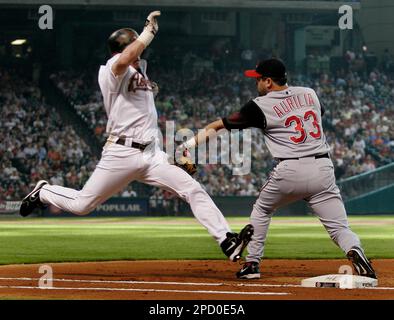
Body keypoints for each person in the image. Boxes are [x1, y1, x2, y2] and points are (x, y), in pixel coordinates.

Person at [19, 11, 253, 263]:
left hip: (152, 155)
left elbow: (141, 103)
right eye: (134, 43)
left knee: (192, 189)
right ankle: (43, 192)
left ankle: (226, 240)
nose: (139, 47)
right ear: (124, 47)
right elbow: (124, 59)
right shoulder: (111, 68)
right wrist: (147, 33)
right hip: (121, 152)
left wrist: (171, 156)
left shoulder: (139, 71)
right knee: (82, 205)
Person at [177, 58, 377, 279]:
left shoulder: (259, 105)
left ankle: (252, 264)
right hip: (323, 167)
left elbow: (218, 126)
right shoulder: (310, 93)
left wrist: (188, 145)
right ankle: (355, 250)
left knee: (262, 210)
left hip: (290, 168)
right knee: (339, 227)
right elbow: (317, 115)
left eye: (259, 79)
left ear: (269, 82)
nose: (257, 84)